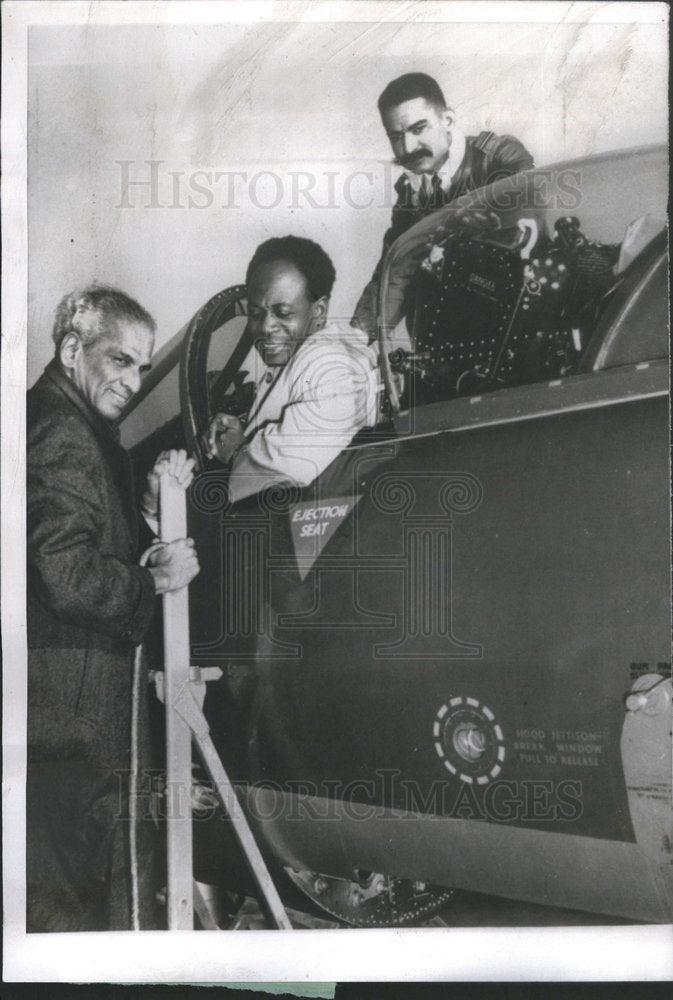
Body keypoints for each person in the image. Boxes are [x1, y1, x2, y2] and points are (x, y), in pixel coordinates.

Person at [27, 285, 199, 931]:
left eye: (142, 365)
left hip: (61, 716)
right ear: (73, 349)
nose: (132, 380)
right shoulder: (61, 431)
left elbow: (87, 539)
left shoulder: (67, 423)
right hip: (70, 719)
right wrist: (149, 581)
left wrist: (151, 511)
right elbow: (65, 573)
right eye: (119, 359)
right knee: (69, 903)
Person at [352, 72, 535, 336]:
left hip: (511, 333)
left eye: (418, 129)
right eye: (395, 137)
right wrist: (357, 338)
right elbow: (396, 271)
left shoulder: (499, 157)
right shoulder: (410, 193)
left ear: (447, 119)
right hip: (444, 344)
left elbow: (528, 227)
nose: (408, 147)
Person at [206, 236, 379, 502]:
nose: (265, 328)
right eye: (255, 314)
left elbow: (289, 469)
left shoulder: (335, 368)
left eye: (283, 313)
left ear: (319, 310)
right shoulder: (304, 357)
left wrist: (235, 451)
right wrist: (240, 430)